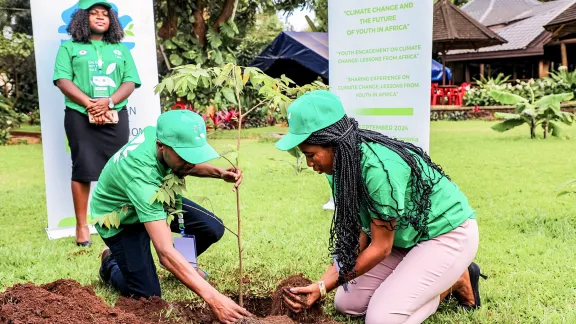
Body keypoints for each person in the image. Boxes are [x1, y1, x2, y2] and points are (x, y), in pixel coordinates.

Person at [275, 90, 483, 324]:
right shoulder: (338, 168)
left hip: (445, 234)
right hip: (404, 239)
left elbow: (381, 247)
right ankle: (429, 275)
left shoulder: (378, 169)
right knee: (347, 304)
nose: (309, 163)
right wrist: (322, 284)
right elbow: (359, 233)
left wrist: (325, 286)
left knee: (381, 319)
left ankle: (454, 281)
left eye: (311, 155)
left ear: (334, 143)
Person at [91, 110, 252, 323]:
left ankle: (183, 266)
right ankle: (110, 262)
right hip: (121, 218)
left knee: (212, 228)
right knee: (148, 296)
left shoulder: (160, 136)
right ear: (161, 146)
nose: (190, 162)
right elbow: (165, 253)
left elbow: (182, 163)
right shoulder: (141, 177)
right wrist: (214, 298)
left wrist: (219, 172)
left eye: (194, 155)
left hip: (155, 200)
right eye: (185, 156)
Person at [53, 0, 140, 246]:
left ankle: (119, 221)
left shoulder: (120, 50)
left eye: (105, 14)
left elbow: (130, 81)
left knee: (118, 168)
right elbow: (62, 80)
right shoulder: (69, 48)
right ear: (82, 19)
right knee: (82, 168)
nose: (100, 17)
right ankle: (82, 225)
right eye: (94, 14)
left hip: (115, 114)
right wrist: (90, 103)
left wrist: (109, 102)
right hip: (79, 114)